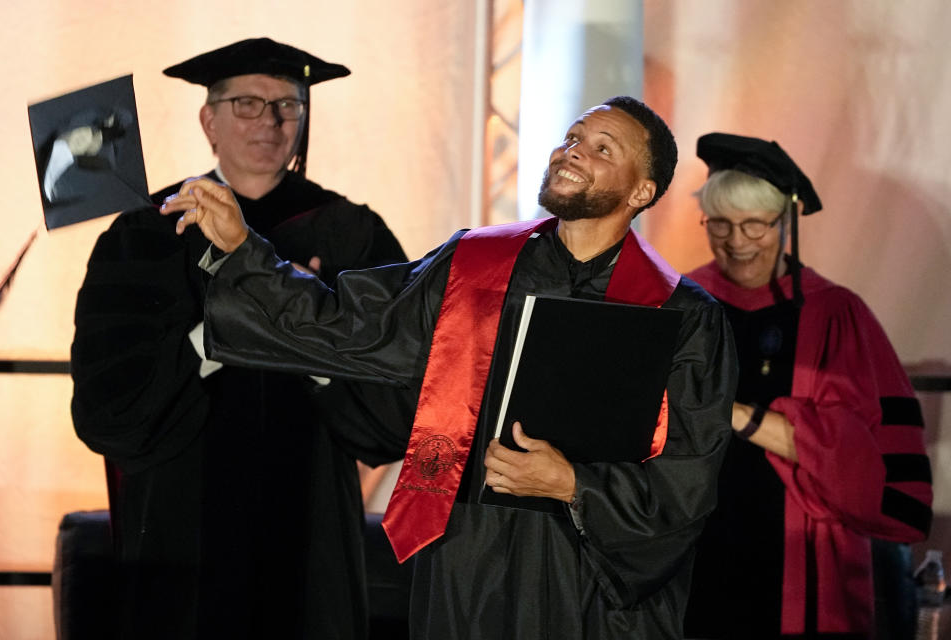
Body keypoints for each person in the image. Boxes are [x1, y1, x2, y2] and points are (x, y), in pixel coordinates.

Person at [161, 95, 738, 639]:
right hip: (469, 555)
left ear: (642, 191)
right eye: (572, 137)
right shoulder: (476, 264)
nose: (574, 149)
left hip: (590, 573)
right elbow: (352, 321)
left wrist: (572, 484)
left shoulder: (683, 317)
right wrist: (245, 251)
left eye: (603, 147)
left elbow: (688, 477)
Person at [70, 38, 407, 640]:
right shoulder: (147, 231)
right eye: (248, 103)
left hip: (310, 539)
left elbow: (396, 407)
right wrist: (216, 336)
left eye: (289, 105)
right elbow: (106, 409)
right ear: (210, 120)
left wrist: (309, 333)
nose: (271, 121)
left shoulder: (353, 233)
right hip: (180, 537)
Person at [682, 133, 934, 639]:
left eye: (755, 224)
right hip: (690, 548)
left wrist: (738, 414)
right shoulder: (681, 302)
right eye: (721, 225)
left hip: (799, 557)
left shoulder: (837, 314)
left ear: (786, 222)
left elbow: (862, 465)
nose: (737, 241)